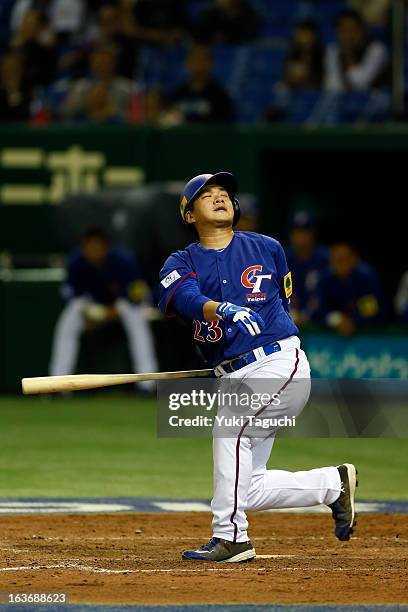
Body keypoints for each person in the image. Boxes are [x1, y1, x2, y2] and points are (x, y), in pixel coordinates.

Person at [158, 172, 357, 562]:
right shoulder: (180, 261)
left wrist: (266, 340)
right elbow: (183, 297)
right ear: (189, 215)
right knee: (246, 487)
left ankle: (231, 536)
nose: (219, 198)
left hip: (277, 362)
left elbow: (284, 302)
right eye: (206, 195)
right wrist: (221, 309)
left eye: (224, 194)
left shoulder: (267, 248)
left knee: (229, 428)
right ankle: (333, 485)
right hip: (232, 376)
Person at [49, 227, 158, 391]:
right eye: (89, 247)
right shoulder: (76, 262)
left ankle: (147, 383)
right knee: (69, 319)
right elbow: (72, 297)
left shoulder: (122, 260)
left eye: (97, 246)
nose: (93, 251)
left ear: (106, 247)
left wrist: (113, 311)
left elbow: (137, 294)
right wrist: (88, 315)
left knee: (136, 320)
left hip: (125, 306)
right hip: (93, 308)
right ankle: (58, 384)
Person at [317, 242, 384, 336]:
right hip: (336, 331)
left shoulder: (365, 277)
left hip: (368, 332)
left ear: (354, 259)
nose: (340, 265)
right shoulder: (326, 279)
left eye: (344, 260)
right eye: (336, 260)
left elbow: (371, 310)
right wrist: (336, 320)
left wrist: (353, 321)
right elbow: (320, 309)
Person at [61, 44, 134, 122]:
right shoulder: (80, 87)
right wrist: (86, 102)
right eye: (99, 60)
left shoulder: (127, 87)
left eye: (106, 61)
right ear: (91, 63)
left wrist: (110, 110)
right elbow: (66, 111)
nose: (102, 64)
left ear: (114, 63)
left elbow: (135, 116)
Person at [166, 45, 234, 125]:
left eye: (202, 60)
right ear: (187, 63)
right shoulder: (177, 94)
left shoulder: (220, 96)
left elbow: (224, 127)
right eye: (194, 60)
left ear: (210, 63)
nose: (198, 65)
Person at [324, 9, 389, 92]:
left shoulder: (377, 49)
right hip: (343, 101)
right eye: (343, 30)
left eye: (351, 30)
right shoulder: (332, 51)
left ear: (362, 31)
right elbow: (333, 85)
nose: (347, 35)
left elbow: (361, 83)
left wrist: (348, 55)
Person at [285, 210, 329, 326]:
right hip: (289, 320)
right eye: (297, 232)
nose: (301, 237)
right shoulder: (283, 258)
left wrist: (307, 315)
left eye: (305, 232)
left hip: (321, 322)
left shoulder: (325, 259)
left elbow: (327, 294)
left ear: (312, 233)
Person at [194, 0, 258, 45]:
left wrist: (228, 38)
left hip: (240, 53)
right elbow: (200, 37)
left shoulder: (249, 15)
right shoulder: (208, 15)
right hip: (213, 53)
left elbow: (250, 39)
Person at [284, 20, 323, 90]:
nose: (305, 39)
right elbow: (287, 79)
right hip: (295, 94)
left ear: (314, 36)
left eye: (307, 35)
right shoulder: (291, 55)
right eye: (301, 35)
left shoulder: (322, 56)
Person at [0, 51, 32, 122]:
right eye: (7, 69)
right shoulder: (2, 92)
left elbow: (26, 115)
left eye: (14, 69)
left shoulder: (26, 89)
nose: (10, 73)